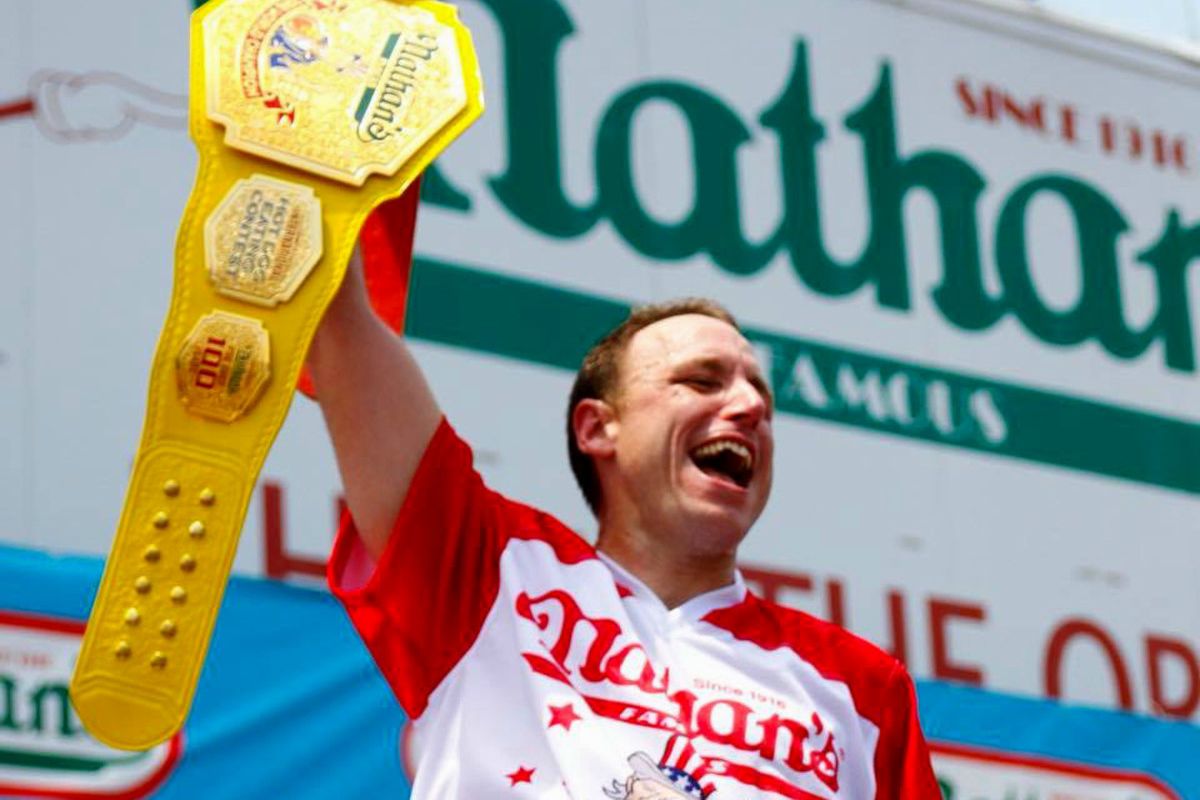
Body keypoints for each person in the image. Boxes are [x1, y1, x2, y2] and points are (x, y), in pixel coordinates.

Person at [307, 247, 941, 798]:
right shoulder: (495, 571)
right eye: (702, 381)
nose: (750, 406)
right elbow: (340, 319)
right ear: (597, 428)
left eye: (761, 395)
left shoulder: (862, 688)